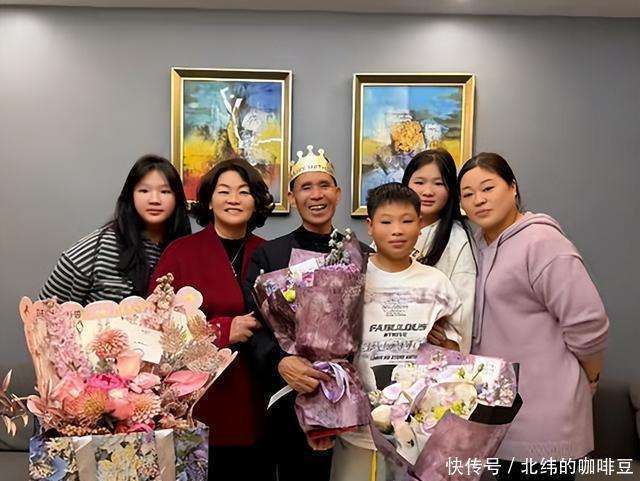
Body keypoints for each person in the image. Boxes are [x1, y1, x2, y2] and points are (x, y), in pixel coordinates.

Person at [458, 152, 609, 481]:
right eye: (468, 194)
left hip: (546, 418)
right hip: (499, 418)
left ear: (513, 187)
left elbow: (588, 322)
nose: (478, 200)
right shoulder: (474, 248)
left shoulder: (543, 242)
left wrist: (592, 375)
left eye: (488, 188)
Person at [245, 145, 370, 481]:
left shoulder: (361, 254)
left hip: (351, 395)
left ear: (338, 193)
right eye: (306, 187)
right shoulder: (269, 256)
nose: (316, 195)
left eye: (324, 185)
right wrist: (280, 362)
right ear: (292, 196)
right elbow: (253, 325)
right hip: (292, 392)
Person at [149, 158, 275, 481]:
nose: (234, 199)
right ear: (208, 200)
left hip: (258, 403)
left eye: (244, 192)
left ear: (256, 201)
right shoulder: (180, 253)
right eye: (224, 191)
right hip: (198, 404)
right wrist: (222, 330)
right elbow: (154, 327)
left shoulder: (271, 253)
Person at [331, 182, 462, 481]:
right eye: (386, 222)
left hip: (422, 428)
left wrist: (446, 346)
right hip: (359, 427)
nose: (397, 230)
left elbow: (457, 353)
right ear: (370, 226)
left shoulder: (437, 283)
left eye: (407, 221)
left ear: (420, 224)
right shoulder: (350, 278)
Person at [39, 154, 191, 303]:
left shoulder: (183, 250)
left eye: (165, 191)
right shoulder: (96, 249)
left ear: (177, 198)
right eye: (144, 191)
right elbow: (44, 311)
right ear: (130, 196)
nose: (154, 200)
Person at [401, 149, 476, 353]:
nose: (427, 191)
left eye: (438, 183)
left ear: (451, 190)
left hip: (432, 353)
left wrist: (446, 337)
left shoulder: (457, 240)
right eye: (419, 182)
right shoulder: (391, 232)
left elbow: (463, 311)